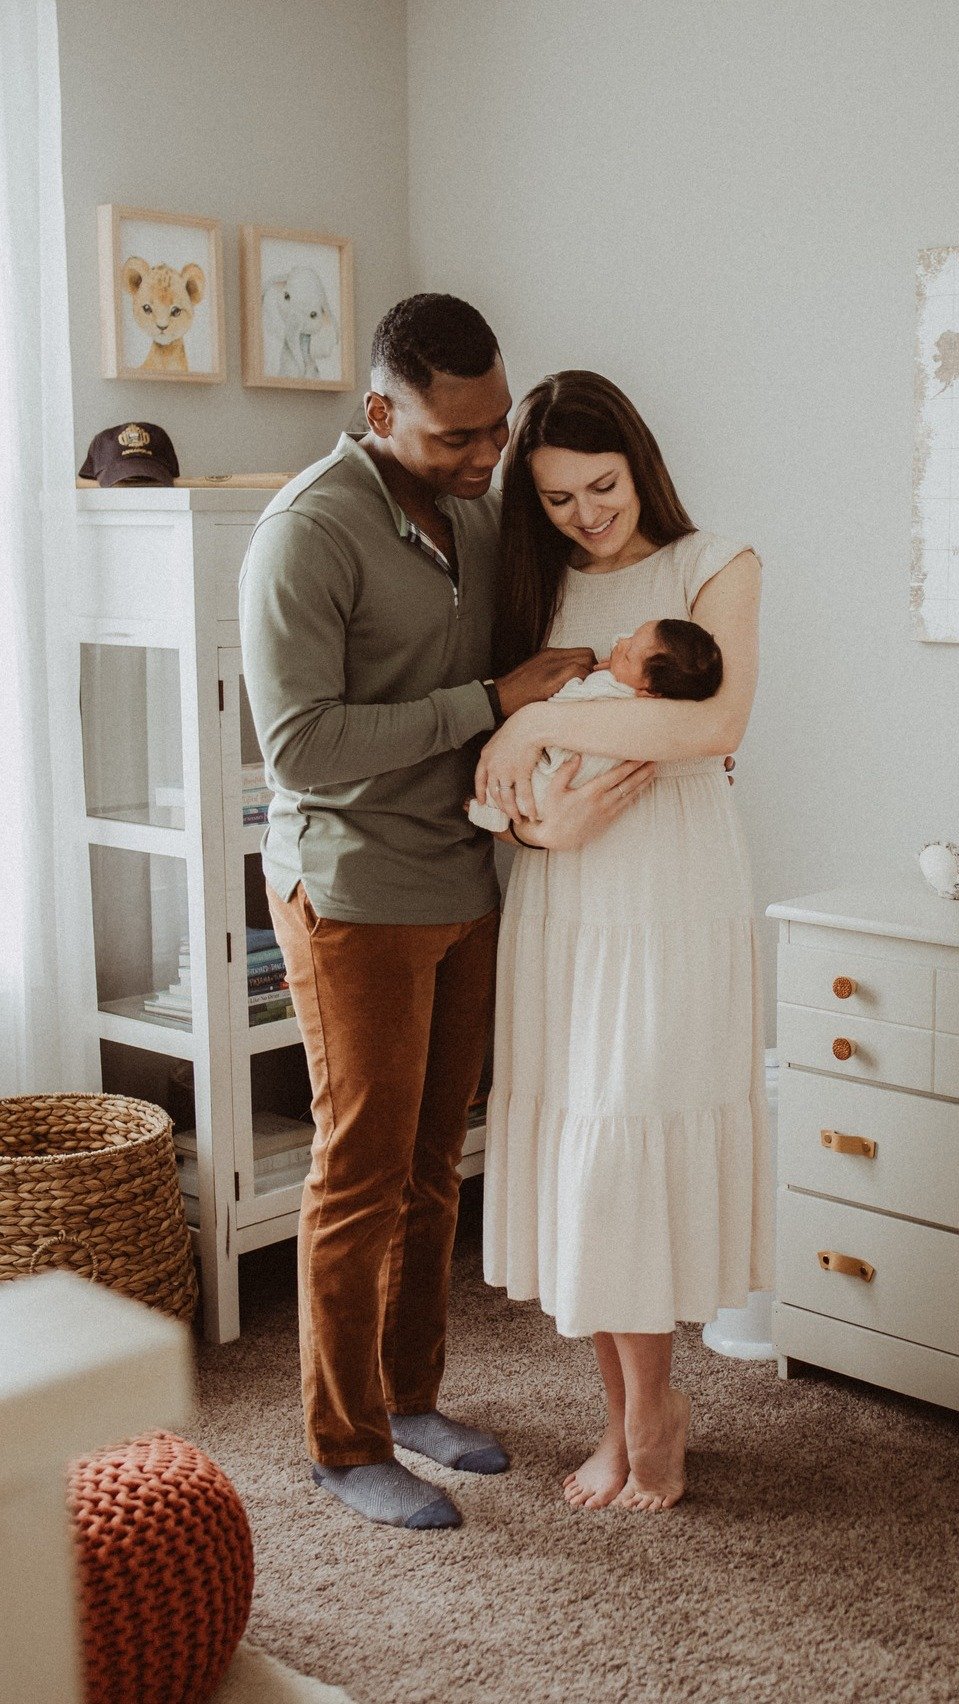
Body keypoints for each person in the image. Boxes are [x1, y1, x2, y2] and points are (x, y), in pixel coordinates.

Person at [238, 298, 654, 1531]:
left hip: (465, 878)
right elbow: (302, 748)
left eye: (495, 427)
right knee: (357, 1169)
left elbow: (544, 658)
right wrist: (482, 699)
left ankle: (411, 1396)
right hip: (354, 887)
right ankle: (341, 1439)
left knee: (435, 1162)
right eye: (455, 437)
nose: (488, 460)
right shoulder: (305, 536)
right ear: (379, 413)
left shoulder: (477, 510)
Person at [477, 370, 772, 1513]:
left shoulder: (715, 563)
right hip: (566, 893)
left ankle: (654, 1408)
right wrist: (536, 825)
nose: (586, 515)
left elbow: (714, 722)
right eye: (555, 499)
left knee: (633, 1128)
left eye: (599, 486)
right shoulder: (532, 583)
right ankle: (622, 1410)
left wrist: (549, 710)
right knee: (582, 1146)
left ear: (636, 465)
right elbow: (496, 771)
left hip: (672, 889)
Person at [466, 617, 722, 833]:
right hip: (583, 770)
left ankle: (490, 810)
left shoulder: (610, 690)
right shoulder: (637, 688)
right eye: (631, 637)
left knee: (532, 783)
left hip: (570, 768)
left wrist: (586, 679)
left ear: (649, 692)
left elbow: (567, 700)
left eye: (628, 654)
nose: (620, 642)